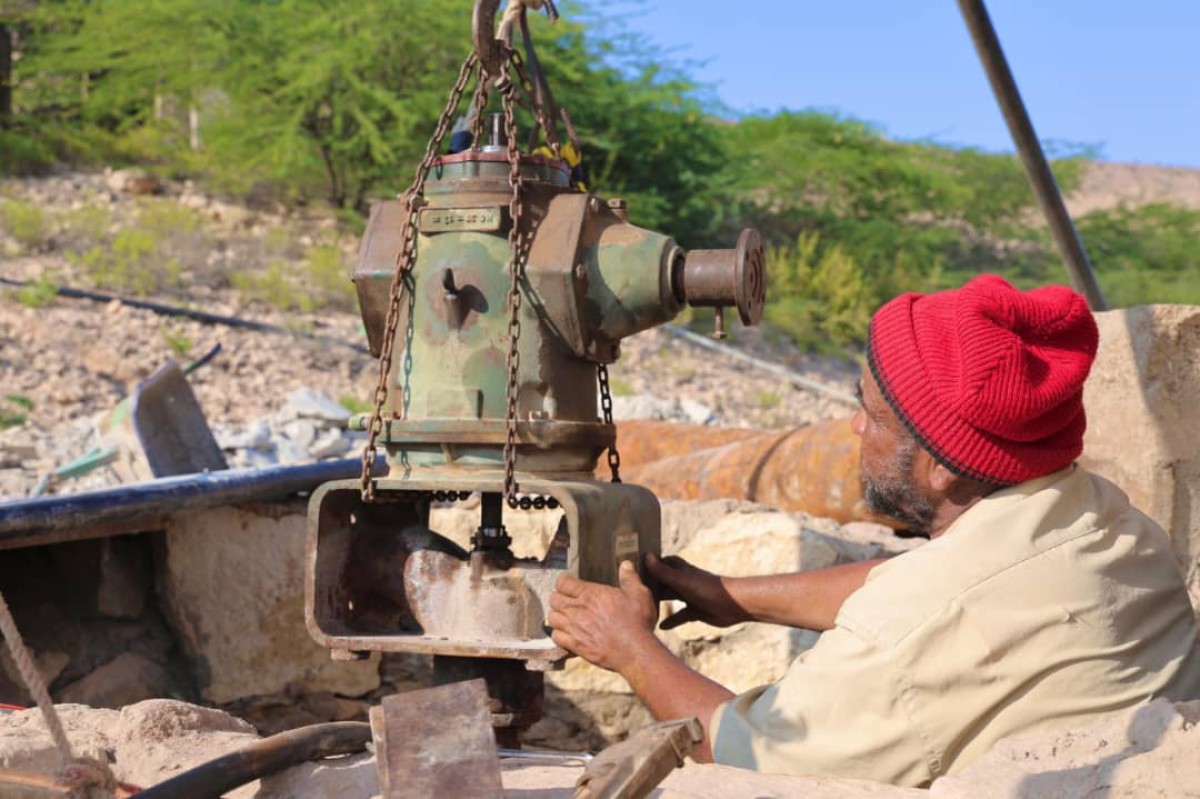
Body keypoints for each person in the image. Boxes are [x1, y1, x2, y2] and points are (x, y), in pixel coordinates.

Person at [546, 274, 1200, 788]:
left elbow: (742, 750)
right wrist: (734, 593)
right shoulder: (1103, 515)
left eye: (873, 415)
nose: (855, 429)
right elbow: (917, 581)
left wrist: (628, 647)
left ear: (942, 467)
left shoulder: (910, 638)